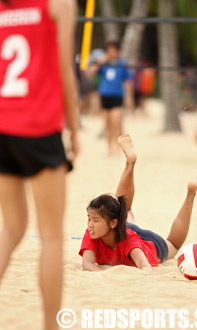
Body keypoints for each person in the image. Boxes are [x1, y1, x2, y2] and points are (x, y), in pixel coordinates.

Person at [0, 0, 79, 329]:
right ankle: (51, 326)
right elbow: (65, 71)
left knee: (12, 227)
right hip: (39, 127)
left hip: (3, 126)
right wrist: (74, 128)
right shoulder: (59, 3)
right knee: (51, 237)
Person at [79, 135, 197, 272]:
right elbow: (87, 265)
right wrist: (107, 274)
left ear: (113, 223)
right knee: (125, 210)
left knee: (173, 244)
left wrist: (107, 271)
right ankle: (129, 163)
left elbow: (145, 267)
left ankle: (191, 192)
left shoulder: (128, 239)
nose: (90, 224)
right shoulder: (93, 232)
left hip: (149, 242)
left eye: (94, 220)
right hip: (122, 229)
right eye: (89, 219)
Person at [87, 41, 134, 154]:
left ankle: (117, 148)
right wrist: (100, 62)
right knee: (107, 124)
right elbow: (90, 73)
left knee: (116, 122)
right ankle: (109, 149)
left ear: (117, 51)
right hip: (104, 96)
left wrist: (130, 98)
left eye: (114, 50)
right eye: (110, 50)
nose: (112, 53)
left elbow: (128, 82)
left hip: (117, 96)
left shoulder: (122, 64)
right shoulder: (103, 64)